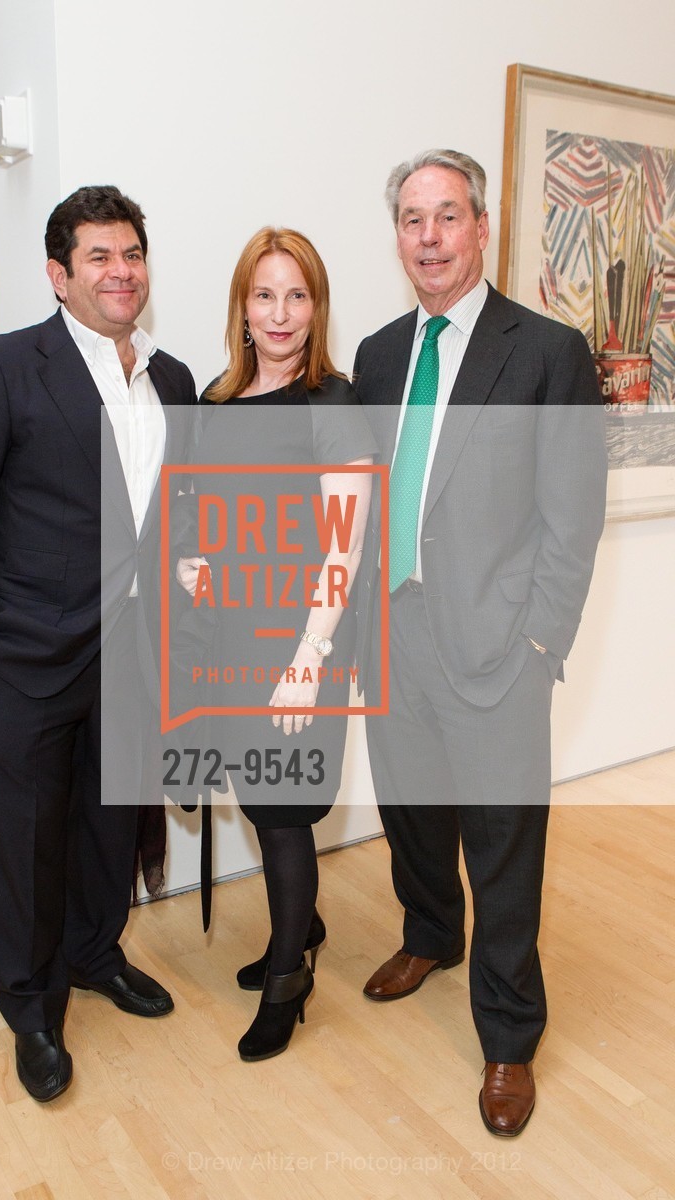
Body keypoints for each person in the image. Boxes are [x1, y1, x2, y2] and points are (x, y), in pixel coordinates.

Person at [0, 186, 196, 1103]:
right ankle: (30, 1007)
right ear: (58, 275)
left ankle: (94, 953)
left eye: (132, 254)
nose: (122, 272)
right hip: (26, 655)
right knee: (27, 841)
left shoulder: (171, 376)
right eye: (99, 258)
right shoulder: (3, 367)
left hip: (134, 651)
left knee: (107, 824)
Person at [353, 150, 607, 1135]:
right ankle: (428, 935)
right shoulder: (378, 353)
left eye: (445, 217)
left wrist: (540, 641)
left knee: (501, 847)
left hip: (497, 645)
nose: (427, 237)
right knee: (411, 813)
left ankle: (507, 1037)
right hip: (395, 634)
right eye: (411, 220)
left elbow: (569, 517)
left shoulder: (543, 350)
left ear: (479, 227)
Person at [176, 228, 375, 1061]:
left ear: (316, 307)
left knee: (285, 812)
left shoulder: (333, 402)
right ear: (243, 308)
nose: (281, 312)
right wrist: (193, 558)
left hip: (300, 642)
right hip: (232, 636)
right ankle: (303, 930)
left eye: (298, 295)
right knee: (259, 799)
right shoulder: (219, 403)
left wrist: (308, 659)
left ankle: (291, 986)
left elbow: (346, 543)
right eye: (265, 295)